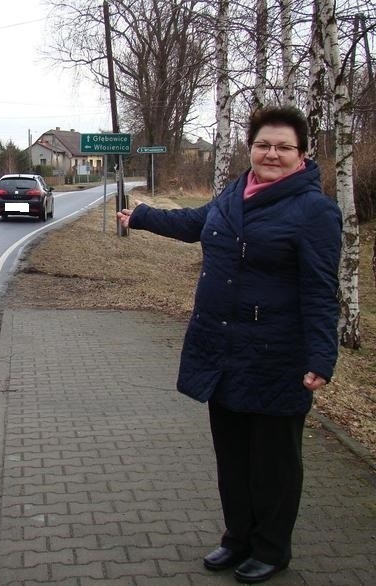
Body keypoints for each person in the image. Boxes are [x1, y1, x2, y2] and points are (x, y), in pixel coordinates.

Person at [117, 105, 342, 584]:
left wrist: (322, 356)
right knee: (232, 455)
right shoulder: (234, 192)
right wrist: (141, 217)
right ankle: (237, 538)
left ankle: (271, 548)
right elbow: (198, 223)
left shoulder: (315, 212)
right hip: (222, 350)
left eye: (284, 147)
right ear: (250, 148)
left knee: (274, 463)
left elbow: (322, 290)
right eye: (264, 144)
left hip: (278, 357)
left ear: (302, 154)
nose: (272, 154)